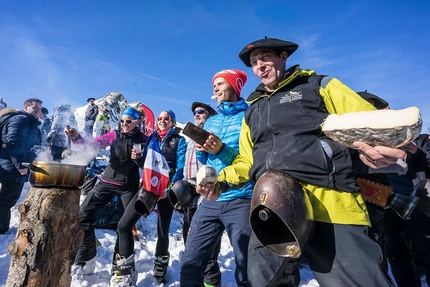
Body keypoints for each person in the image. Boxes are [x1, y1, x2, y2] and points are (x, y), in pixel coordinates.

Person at [199, 37, 407, 287]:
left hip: (329, 204)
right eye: (254, 63)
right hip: (272, 208)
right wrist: (219, 181)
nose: (260, 66)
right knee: (263, 283)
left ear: (284, 57)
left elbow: (368, 123)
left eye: (265, 57)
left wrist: (392, 145)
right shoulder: (252, 110)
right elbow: (247, 161)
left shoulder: (318, 86)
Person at [180, 69, 254, 287]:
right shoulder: (212, 121)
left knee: (247, 269)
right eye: (214, 84)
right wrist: (201, 148)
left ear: (235, 86)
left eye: (221, 84)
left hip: (241, 198)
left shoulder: (248, 118)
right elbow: (206, 161)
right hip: (211, 199)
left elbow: (250, 162)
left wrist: (220, 149)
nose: (215, 88)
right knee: (190, 265)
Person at [69, 107, 147, 285]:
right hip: (107, 182)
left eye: (128, 121)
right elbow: (94, 144)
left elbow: (150, 164)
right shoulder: (114, 135)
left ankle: (123, 269)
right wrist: (76, 138)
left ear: (137, 122)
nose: (124, 125)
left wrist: (139, 159)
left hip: (129, 186)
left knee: (124, 225)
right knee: (83, 216)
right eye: (122, 121)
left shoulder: (144, 139)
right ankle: (87, 257)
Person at [175, 101, 222, 287]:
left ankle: (211, 282)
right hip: (189, 193)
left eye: (200, 111)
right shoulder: (189, 137)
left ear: (210, 114)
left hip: (207, 192)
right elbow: (184, 165)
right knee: (190, 239)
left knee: (208, 250)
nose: (196, 114)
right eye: (194, 112)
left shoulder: (213, 136)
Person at [151, 109, 186, 283]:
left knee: (162, 228)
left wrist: (169, 189)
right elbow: (143, 161)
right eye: (159, 119)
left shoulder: (179, 140)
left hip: (166, 188)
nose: (163, 121)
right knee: (126, 221)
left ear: (173, 122)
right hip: (149, 186)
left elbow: (180, 168)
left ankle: (160, 262)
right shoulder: (152, 138)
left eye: (167, 118)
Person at [0, 98, 42, 234]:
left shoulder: (28, 121)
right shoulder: (21, 120)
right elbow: (13, 142)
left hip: (10, 163)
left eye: (40, 109)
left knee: (6, 198)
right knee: (7, 199)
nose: (37, 111)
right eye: (34, 108)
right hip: (12, 166)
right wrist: (21, 164)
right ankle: (1, 229)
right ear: (26, 107)